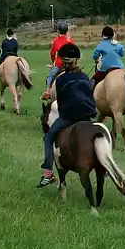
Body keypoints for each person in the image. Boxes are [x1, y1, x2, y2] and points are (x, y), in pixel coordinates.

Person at [38, 43, 98, 187]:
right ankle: (105, 166)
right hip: (87, 116)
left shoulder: (60, 80)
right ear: (77, 60)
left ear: (63, 62)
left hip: (69, 116)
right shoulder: (84, 76)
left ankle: (48, 174)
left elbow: (61, 104)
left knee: (48, 137)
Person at [41, 21, 74, 100]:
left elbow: (52, 53)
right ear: (67, 31)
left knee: (50, 77)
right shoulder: (70, 40)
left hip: (59, 64)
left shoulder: (56, 41)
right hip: (70, 64)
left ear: (58, 30)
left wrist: (53, 61)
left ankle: (48, 92)